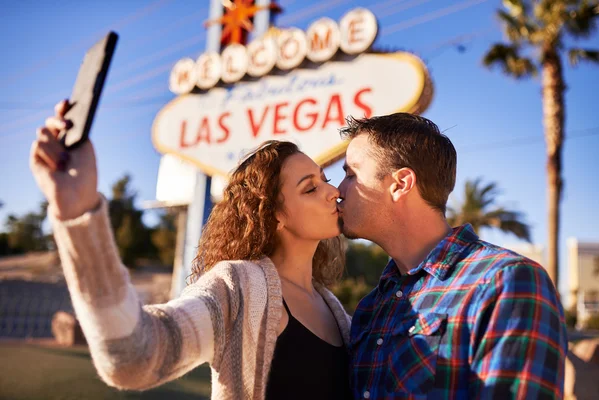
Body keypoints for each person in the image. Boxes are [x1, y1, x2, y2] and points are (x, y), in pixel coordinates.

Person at [30, 100, 353, 400]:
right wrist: (79, 213)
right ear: (274, 215)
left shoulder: (336, 310)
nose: (333, 191)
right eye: (310, 187)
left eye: (325, 179)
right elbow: (134, 357)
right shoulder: (240, 287)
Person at [336, 113, 568, 399]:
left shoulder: (505, 282)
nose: (338, 191)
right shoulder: (371, 307)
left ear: (400, 183)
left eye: (351, 174)